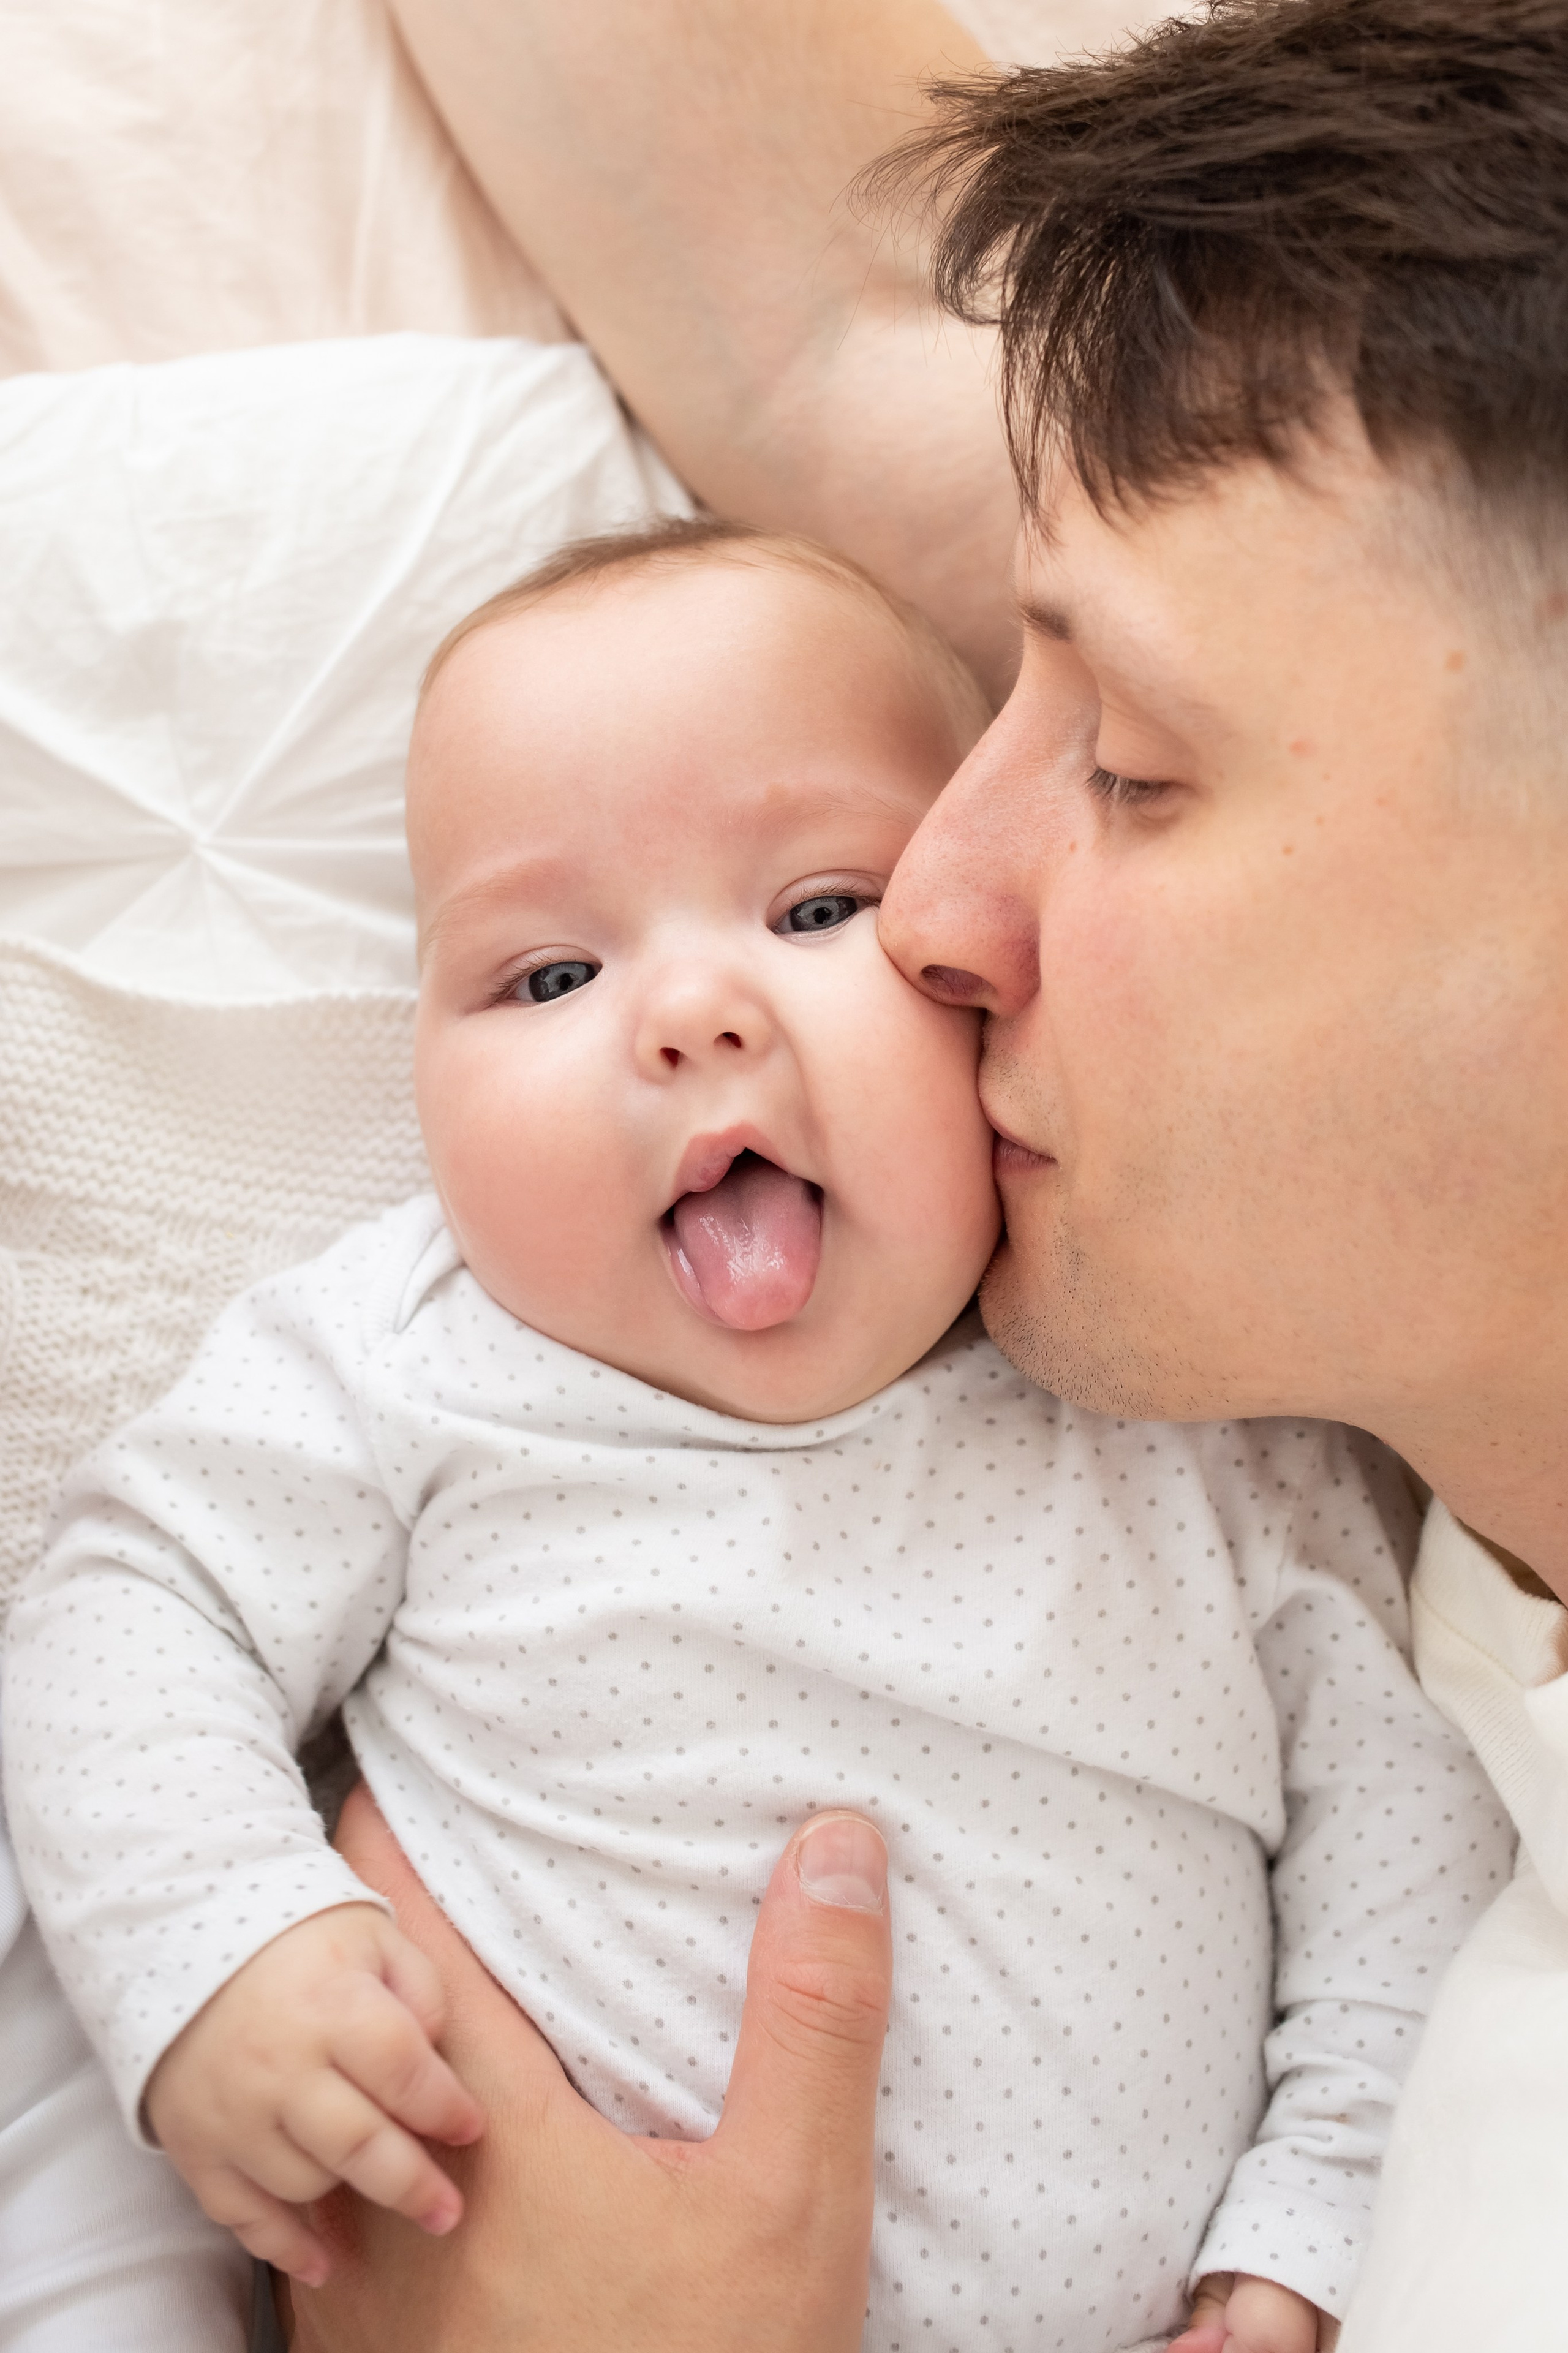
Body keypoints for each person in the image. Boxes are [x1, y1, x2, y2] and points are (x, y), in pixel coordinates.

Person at [4, 518, 1503, 2353]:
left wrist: (1307, 2231)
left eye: (815, 909)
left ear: (976, 960)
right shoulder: (410, 1362)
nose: (694, 1015)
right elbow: (126, 1597)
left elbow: (1408, 1820)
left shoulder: (1168, 1388)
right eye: (548, 977)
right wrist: (227, 1936)